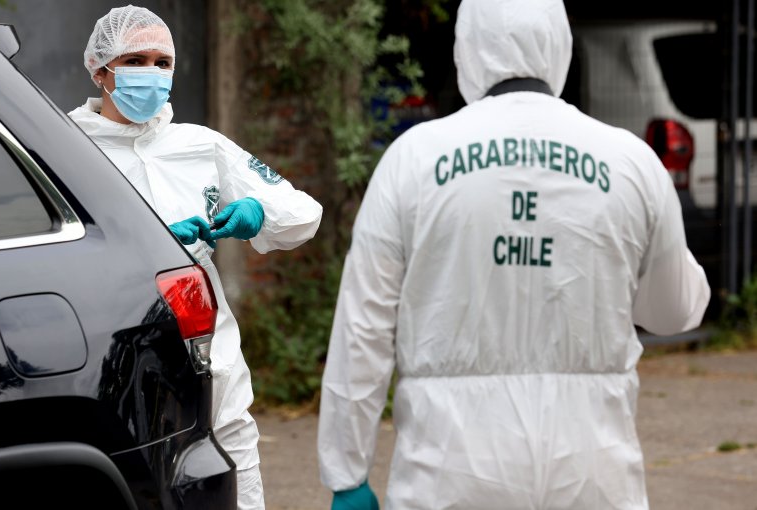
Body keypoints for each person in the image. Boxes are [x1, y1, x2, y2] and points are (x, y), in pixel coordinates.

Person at [316, 0, 710, 508]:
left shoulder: (414, 158)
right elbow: (672, 311)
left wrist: (347, 472)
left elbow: (362, 328)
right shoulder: (631, 162)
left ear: (467, 49)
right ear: (559, 44)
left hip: (449, 475)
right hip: (591, 474)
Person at [69, 6, 323, 509]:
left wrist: (258, 211)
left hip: (214, 360)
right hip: (116, 363)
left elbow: (303, 213)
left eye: (163, 62)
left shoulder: (200, 146)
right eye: (135, 60)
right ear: (100, 70)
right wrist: (146, 244)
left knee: (237, 491)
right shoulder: (68, 149)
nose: (152, 73)